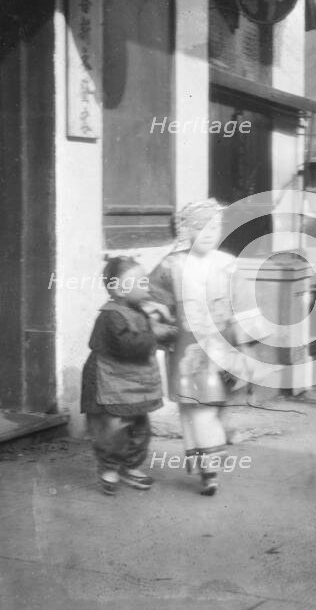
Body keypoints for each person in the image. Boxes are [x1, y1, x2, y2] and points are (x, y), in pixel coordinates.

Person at [149, 199, 267, 496]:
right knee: (195, 408)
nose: (208, 233)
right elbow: (154, 301)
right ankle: (208, 467)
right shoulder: (171, 265)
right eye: (200, 227)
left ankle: (209, 462)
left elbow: (245, 306)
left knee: (215, 405)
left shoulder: (229, 264)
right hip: (189, 346)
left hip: (225, 343)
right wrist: (159, 322)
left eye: (214, 227)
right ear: (186, 230)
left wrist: (247, 348)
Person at [81, 256, 177, 495]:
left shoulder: (136, 309)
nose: (146, 285)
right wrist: (156, 332)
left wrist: (161, 322)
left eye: (146, 280)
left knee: (139, 427)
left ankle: (131, 466)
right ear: (117, 289)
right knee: (112, 429)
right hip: (110, 385)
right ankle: (110, 468)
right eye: (139, 281)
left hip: (132, 385)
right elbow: (129, 346)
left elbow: (148, 329)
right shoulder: (111, 316)